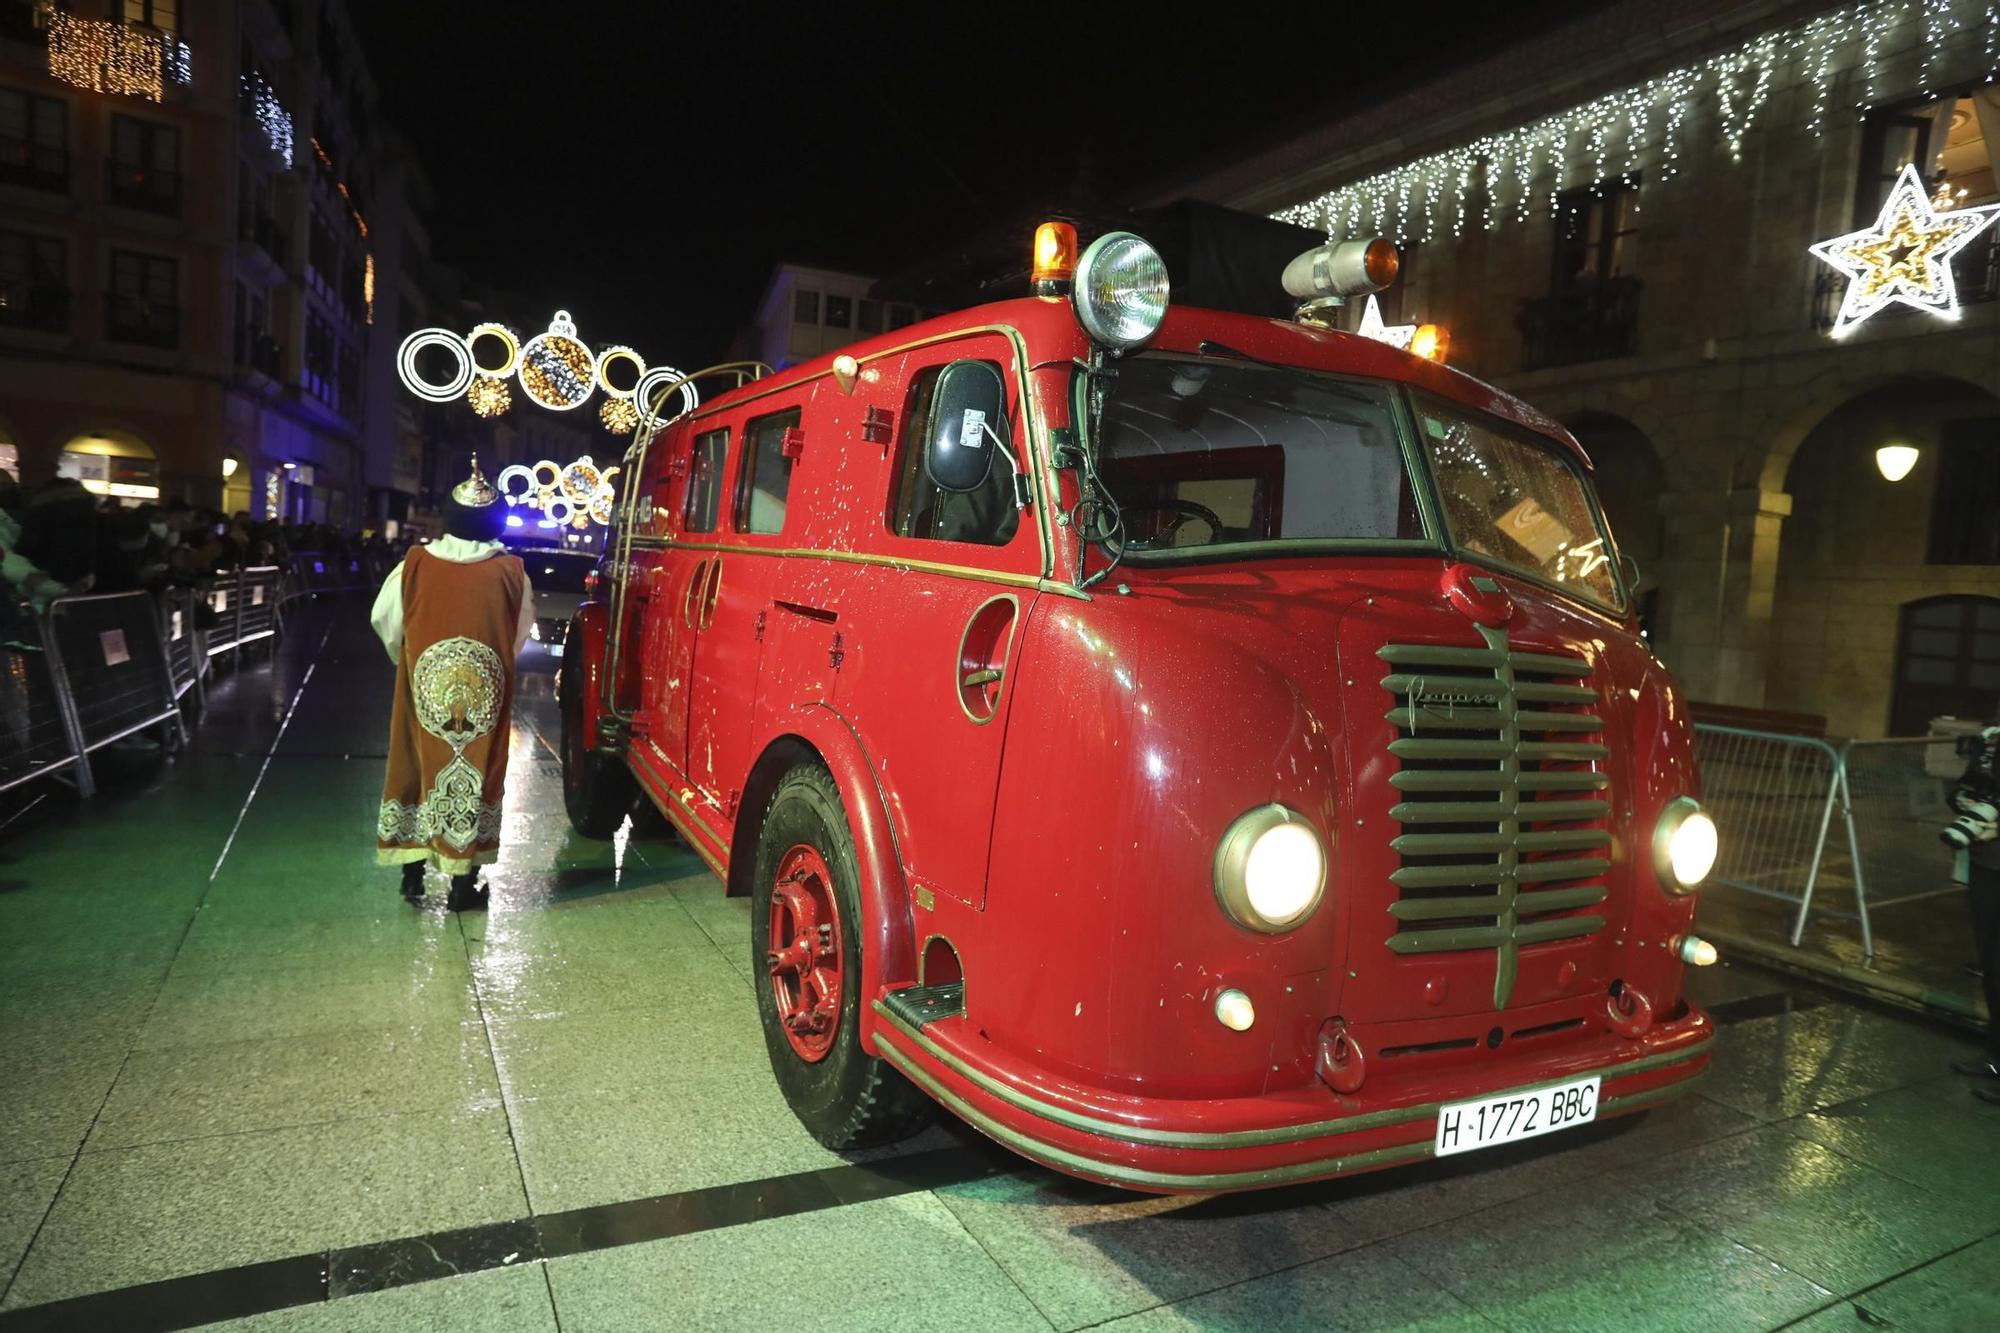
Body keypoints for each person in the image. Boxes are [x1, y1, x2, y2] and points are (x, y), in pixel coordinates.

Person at [371, 456, 535, 910]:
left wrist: (408, 661)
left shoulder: (415, 564)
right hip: (483, 693)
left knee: (414, 767)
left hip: (424, 686)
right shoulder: (511, 571)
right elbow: (517, 634)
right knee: (477, 776)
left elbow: (385, 621)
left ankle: (411, 874)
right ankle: (464, 886)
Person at [1950, 724, 2000, 1103]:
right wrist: (1964, 800)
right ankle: (1995, 1056)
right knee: (1992, 967)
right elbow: (1968, 788)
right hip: (1987, 867)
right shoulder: (1992, 740)